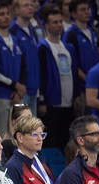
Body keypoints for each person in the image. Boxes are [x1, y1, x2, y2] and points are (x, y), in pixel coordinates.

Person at [38, 6, 79, 151]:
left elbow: (74, 72)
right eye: (55, 22)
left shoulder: (69, 48)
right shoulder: (42, 47)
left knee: (64, 141)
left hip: (68, 102)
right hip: (51, 103)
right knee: (49, 141)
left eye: (60, 21)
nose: (59, 25)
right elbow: (41, 75)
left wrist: (76, 96)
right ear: (47, 26)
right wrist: (42, 101)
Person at [0, 1, 26, 138]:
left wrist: (19, 89)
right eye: (1, 14)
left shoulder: (16, 40)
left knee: (19, 137)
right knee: (3, 138)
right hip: (1, 96)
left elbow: (24, 67)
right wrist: (15, 85)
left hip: (18, 95)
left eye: (8, 13)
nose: (6, 17)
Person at [65, 0, 99, 115]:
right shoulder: (71, 34)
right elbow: (73, 64)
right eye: (82, 10)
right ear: (74, 14)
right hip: (81, 88)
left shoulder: (93, 33)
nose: (87, 12)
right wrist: (89, 80)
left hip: (95, 87)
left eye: (87, 9)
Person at [9, 0, 43, 114]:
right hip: (21, 90)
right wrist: (17, 87)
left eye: (31, 5)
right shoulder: (12, 31)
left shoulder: (33, 32)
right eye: (26, 5)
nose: (30, 8)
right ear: (17, 10)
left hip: (34, 88)